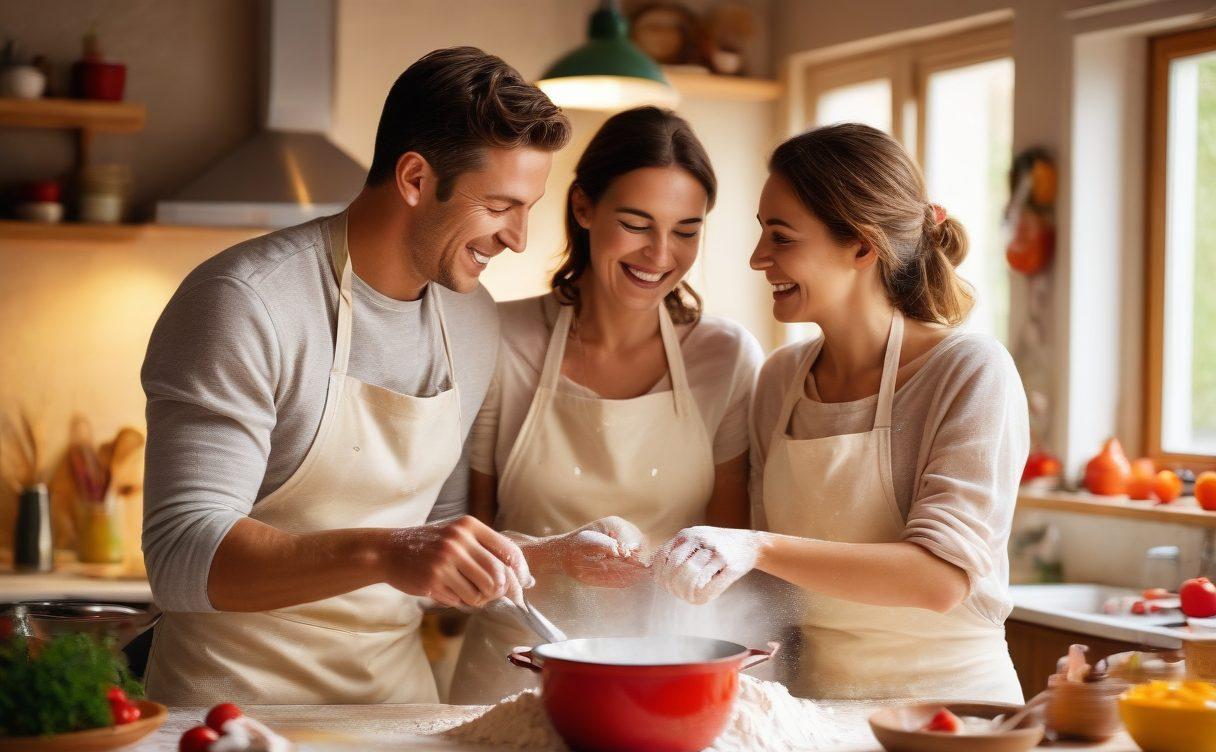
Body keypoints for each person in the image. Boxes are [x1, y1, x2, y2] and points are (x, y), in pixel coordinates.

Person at [139, 47, 594, 705]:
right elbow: (182, 557)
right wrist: (387, 553)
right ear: (414, 177)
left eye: (528, 208)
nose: (519, 238)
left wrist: (555, 558)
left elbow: (436, 535)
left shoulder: (471, 322)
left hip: (394, 716)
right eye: (500, 206)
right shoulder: (245, 302)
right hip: (228, 718)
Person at [653, 123, 1027, 702]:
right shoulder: (780, 380)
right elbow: (770, 584)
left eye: (781, 237)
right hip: (812, 708)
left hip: (950, 710)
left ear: (860, 245)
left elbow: (938, 579)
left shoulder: (969, 370)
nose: (758, 259)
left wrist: (756, 546)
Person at [448, 107, 765, 704]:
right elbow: (471, 536)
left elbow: (728, 555)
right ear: (584, 208)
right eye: (637, 223)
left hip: (665, 673)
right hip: (512, 673)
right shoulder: (500, 337)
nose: (660, 254)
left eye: (687, 230)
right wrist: (561, 557)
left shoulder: (724, 358)